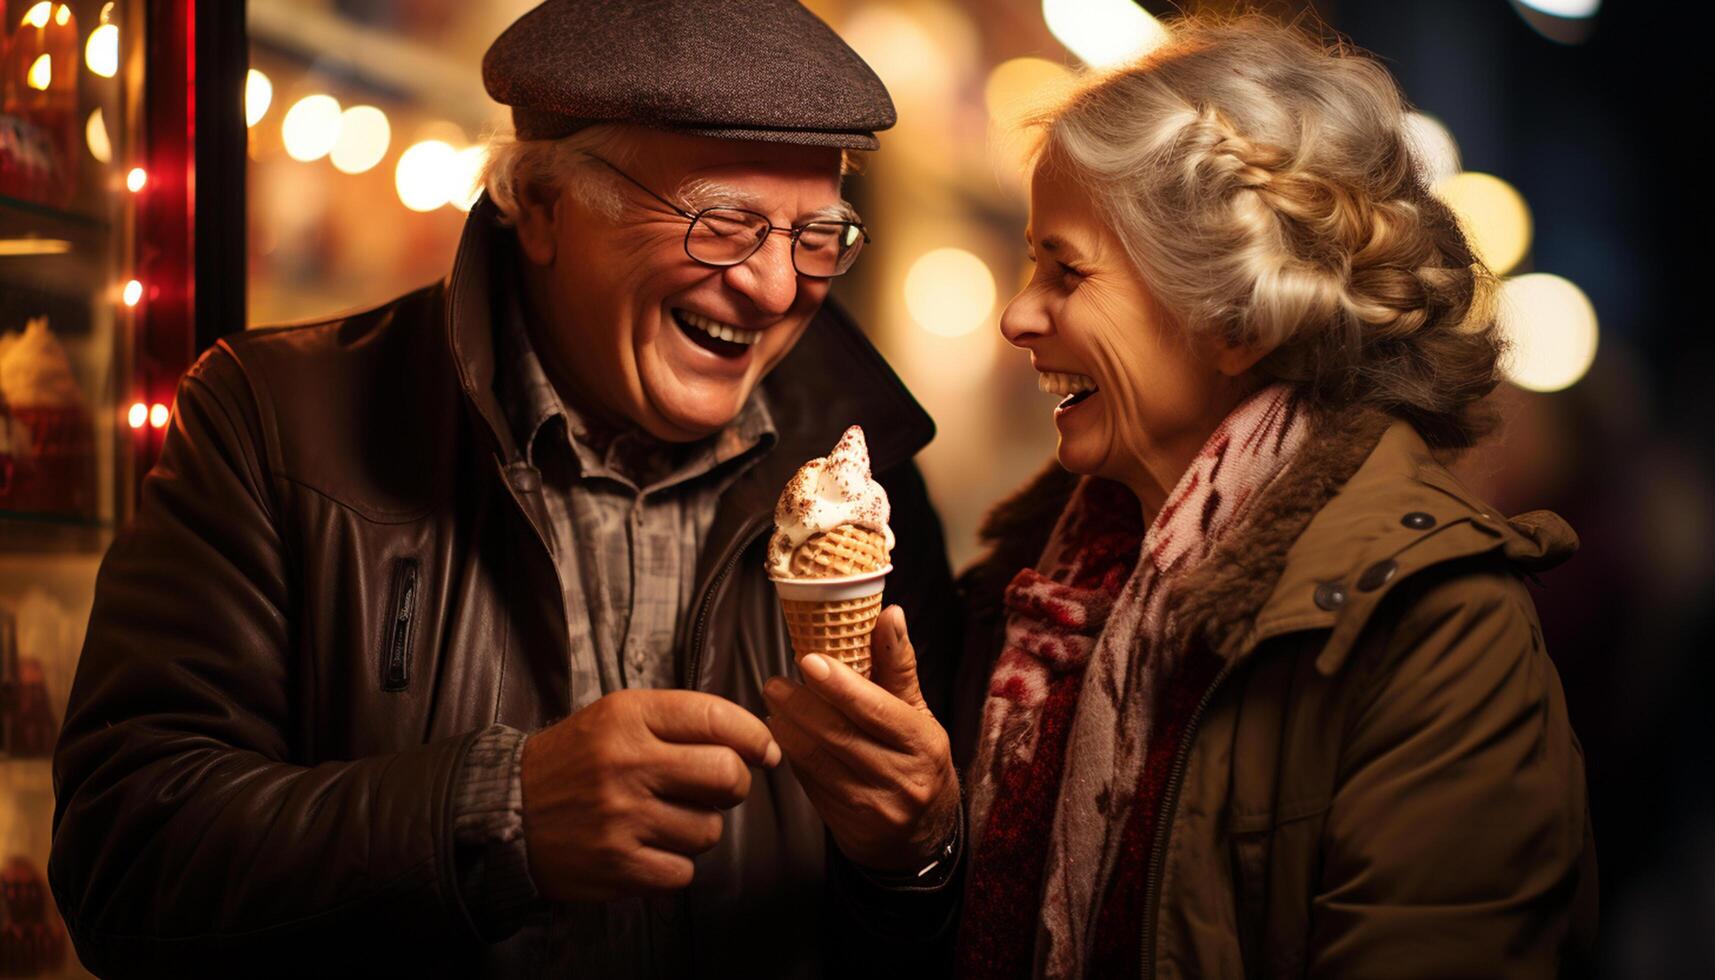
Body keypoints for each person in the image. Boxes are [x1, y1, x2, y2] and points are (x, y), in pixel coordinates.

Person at [47, 2, 961, 976]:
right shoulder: (274, 424)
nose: (778, 287)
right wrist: (497, 815)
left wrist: (919, 854)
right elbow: (126, 864)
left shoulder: (875, 486)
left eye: (818, 235)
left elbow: (949, 939)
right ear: (539, 205)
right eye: (723, 224)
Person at [770, 14, 1598, 979]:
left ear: (1234, 319)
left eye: (1065, 269)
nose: (1016, 314)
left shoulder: (1435, 630)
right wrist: (917, 847)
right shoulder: (1035, 595)